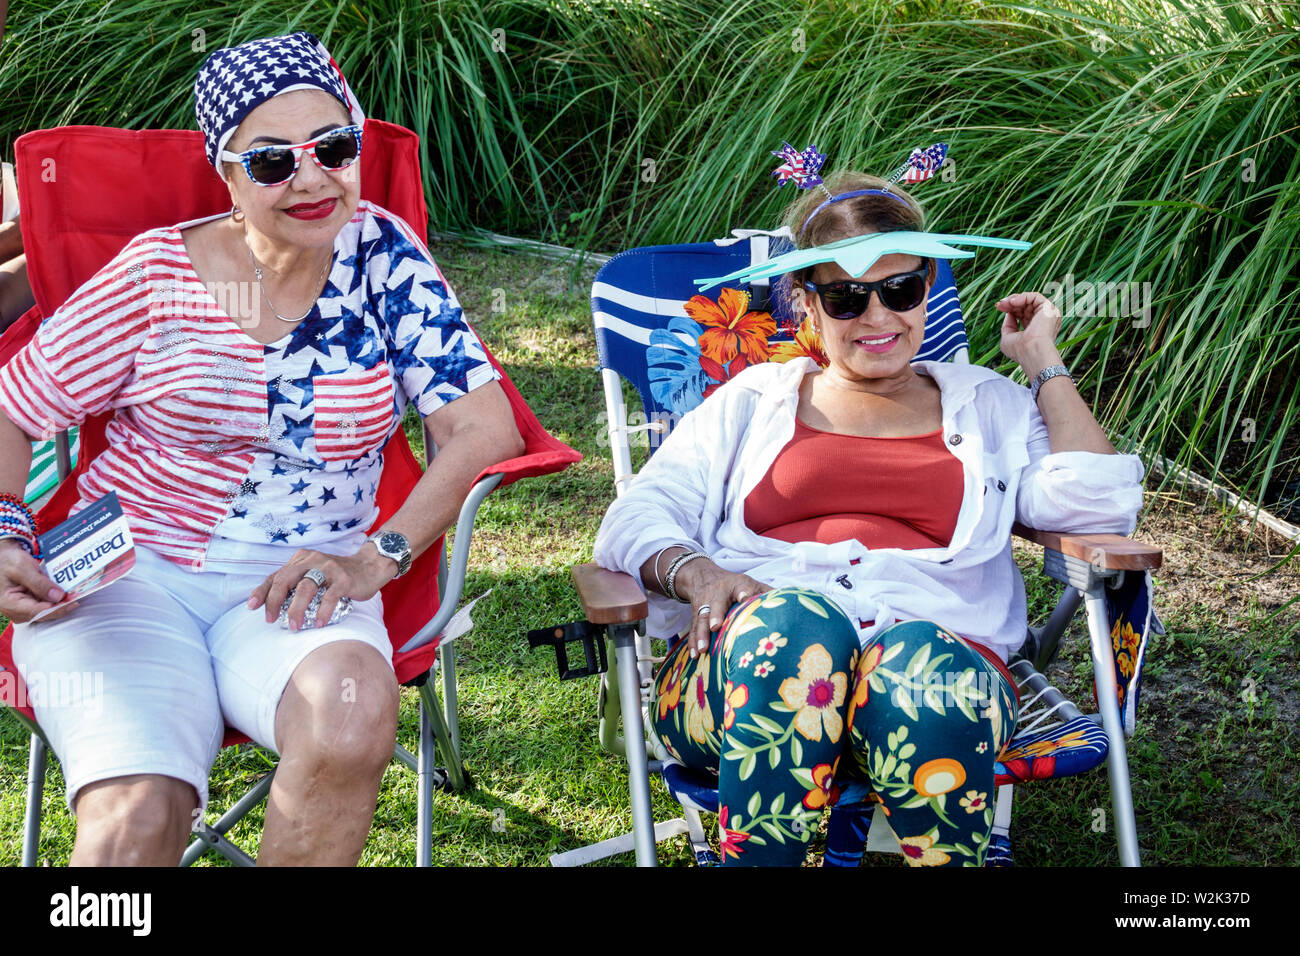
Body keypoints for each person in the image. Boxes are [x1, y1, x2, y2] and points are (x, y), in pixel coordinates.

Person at [0, 31, 524, 866]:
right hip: (130, 575)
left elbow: (482, 428)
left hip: (304, 587)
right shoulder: (154, 274)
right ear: (228, 174)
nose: (313, 178)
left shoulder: (386, 257)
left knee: (350, 720)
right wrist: (4, 530)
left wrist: (373, 560)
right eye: (273, 161)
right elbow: (14, 406)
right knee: (137, 816)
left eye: (336, 148)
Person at [593, 167, 1145, 866]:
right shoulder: (753, 399)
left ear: (929, 288)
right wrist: (695, 572)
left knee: (924, 674)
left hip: (935, 674)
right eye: (849, 298)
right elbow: (637, 512)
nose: (881, 317)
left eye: (902, 289)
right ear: (806, 305)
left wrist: (1042, 362)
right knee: (798, 627)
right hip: (747, 672)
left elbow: (1097, 504)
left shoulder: (989, 405)